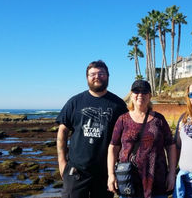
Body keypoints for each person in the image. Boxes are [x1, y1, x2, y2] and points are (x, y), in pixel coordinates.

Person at [56, 60, 128, 198]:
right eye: (92, 74)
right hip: (76, 171)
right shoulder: (75, 102)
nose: (97, 77)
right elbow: (62, 131)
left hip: (104, 172)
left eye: (101, 73)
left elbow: (125, 136)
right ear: (87, 77)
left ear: (108, 76)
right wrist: (62, 162)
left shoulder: (118, 105)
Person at [107, 80, 177, 198]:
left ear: (149, 96)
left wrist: (171, 173)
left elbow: (171, 146)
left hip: (156, 180)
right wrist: (111, 174)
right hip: (128, 181)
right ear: (131, 95)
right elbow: (113, 147)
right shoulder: (123, 120)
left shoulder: (159, 119)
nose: (140, 94)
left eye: (145, 92)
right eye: (136, 91)